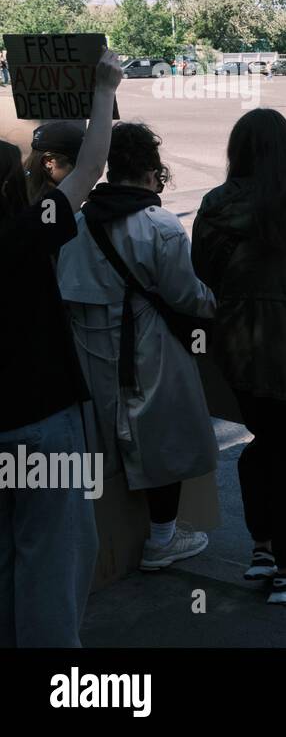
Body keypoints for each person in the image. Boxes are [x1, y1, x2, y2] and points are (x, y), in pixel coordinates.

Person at [191, 109, 286, 604]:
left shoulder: (213, 207)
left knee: (265, 443)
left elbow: (203, 275)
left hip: (238, 353)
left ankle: (263, 546)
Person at [57, 122, 218, 572]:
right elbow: (187, 297)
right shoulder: (159, 226)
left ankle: (105, 541)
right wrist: (222, 304)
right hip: (149, 349)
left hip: (90, 347)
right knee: (164, 442)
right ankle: (162, 539)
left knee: (107, 443)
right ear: (151, 172)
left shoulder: (77, 221)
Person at [0, 49, 119, 647]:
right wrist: (102, 88)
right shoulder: (23, 233)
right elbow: (91, 166)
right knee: (52, 566)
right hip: (42, 422)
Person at [24, 120, 85, 203]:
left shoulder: (17, 191)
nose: (85, 171)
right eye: (77, 164)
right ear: (49, 162)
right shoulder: (54, 206)